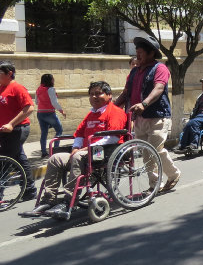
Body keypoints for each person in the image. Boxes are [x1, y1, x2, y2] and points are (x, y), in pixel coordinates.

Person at [20, 81, 127, 218]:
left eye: (98, 93)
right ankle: (48, 199)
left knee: (78, 157)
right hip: (86, 150)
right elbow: (79, 134)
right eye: (91, 94)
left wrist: (85, 148)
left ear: (109, 95)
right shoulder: (91, 114)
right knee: (55, 159)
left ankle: (68, 201)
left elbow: (112, 138)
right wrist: (76, 147)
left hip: (105, 151)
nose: (94, 96)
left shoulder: (115, 112)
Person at [115, 36, 181, 192]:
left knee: (153, 149)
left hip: (158, 116)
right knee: (147, 152)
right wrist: (112, 107)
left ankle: (159, 182)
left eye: (141, 52)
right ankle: (165, 178)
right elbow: (126, 93)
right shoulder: (134, 72)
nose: (137, 55)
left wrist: (144, 103)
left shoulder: (160, 68)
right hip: (140, 119)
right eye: (137, 52)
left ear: (151, 53)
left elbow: (158, 88)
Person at [0, 60, 37, 201]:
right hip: (4, 130)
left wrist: (11, 124)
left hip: (18, 129)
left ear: (9, 73)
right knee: (19, 158)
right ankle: (30, 190)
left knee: (4, 160)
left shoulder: (17, 88)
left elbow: (29, 107)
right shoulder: (1, 88)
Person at [36, 74, 65, 157]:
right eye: (53, 79)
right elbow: (54, 102)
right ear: (50, 80)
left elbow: (36, 102)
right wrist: (61, 111)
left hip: (40, 113)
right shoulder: (51, 89)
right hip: (49, 113)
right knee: (59, 130)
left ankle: (44, 152)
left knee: (44, 133)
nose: (54, 80)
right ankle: (55, 150)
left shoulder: (38, 89)